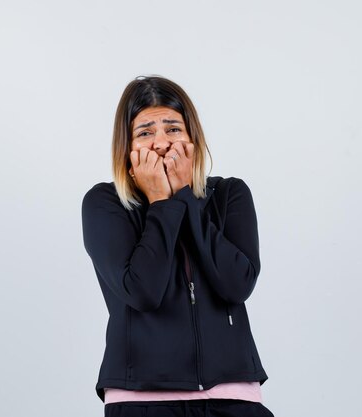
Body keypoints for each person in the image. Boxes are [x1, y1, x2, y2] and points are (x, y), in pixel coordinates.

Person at [82, 76, 274, 417]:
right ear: (126, 147)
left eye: (173, 129)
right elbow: (143, 292)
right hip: (140, 399)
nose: (161, 143)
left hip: (234, 398)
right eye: (145, 133)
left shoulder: (229, 195)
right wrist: (160, 203)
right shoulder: (105, 203)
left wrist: (186, 197)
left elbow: (237, 284)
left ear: (193, 138)